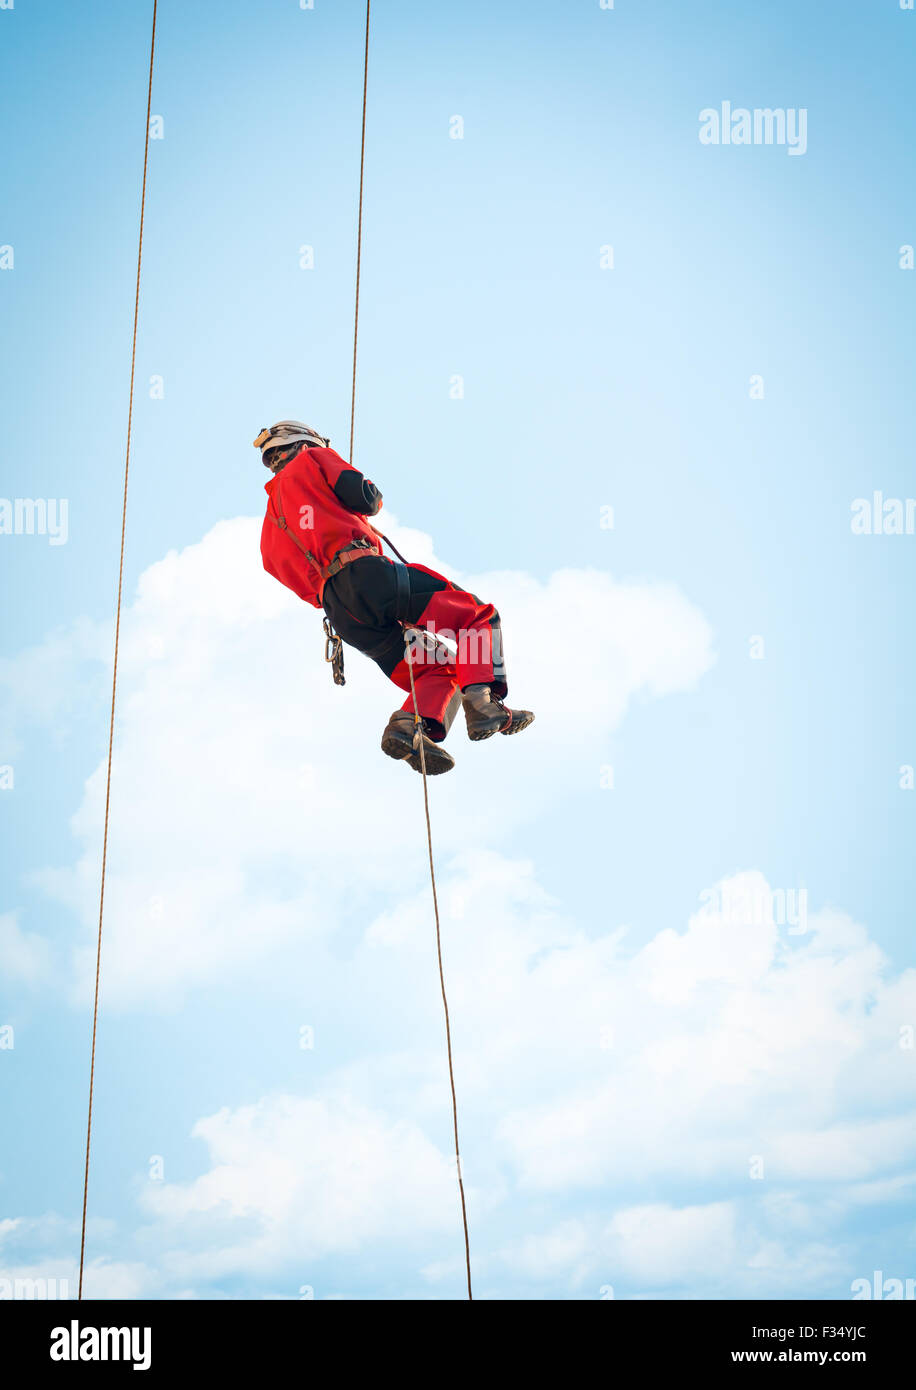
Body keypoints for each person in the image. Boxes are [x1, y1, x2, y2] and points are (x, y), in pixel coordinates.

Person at [255, 420, 534, 775]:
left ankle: (407, 726)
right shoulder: (315, 459)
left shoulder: (268, 528)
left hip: (341, 613)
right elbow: (368, 498)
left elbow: (283, 573)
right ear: (305, 442)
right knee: (476, 617)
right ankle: (482, 704)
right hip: (368, 577)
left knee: (433, 667)